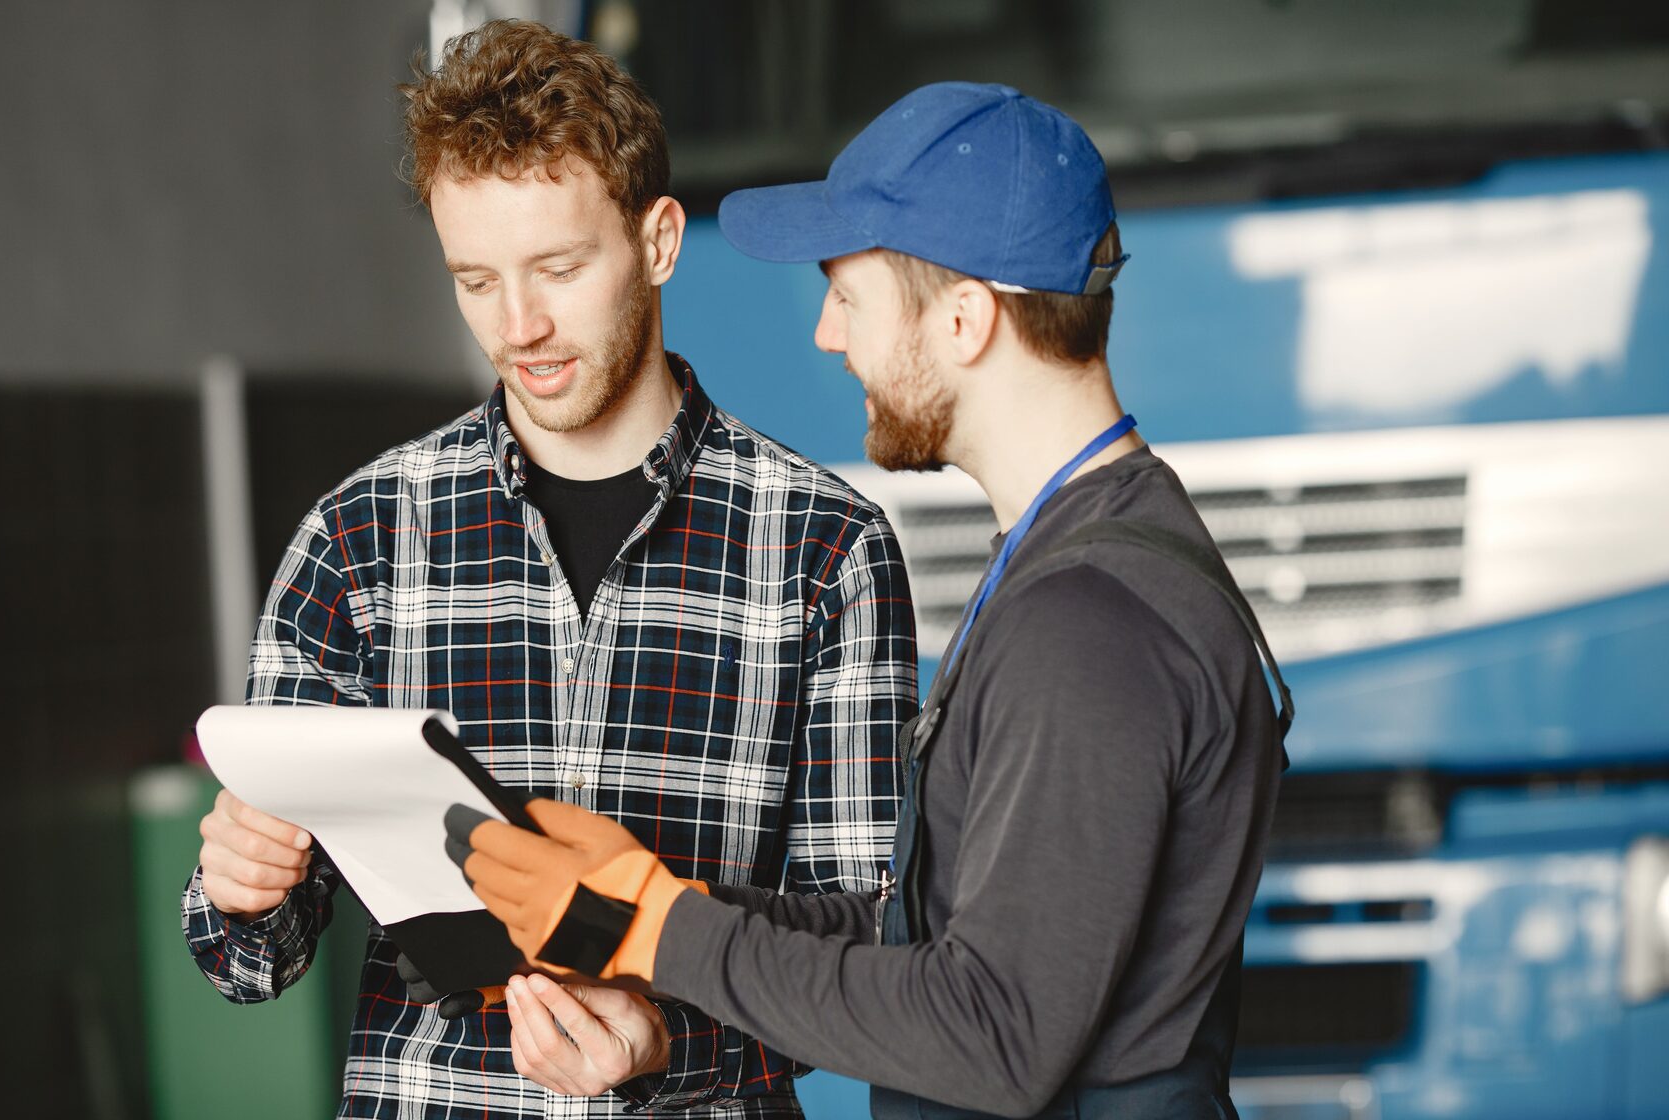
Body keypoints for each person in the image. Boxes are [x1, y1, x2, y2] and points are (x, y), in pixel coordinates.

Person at [452, 82, 1291, 1119]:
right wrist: (663, 905)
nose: (825, 334)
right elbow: (930, 935)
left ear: (964, 318)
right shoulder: (1090, 561)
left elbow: (993, 1031)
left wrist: (659, 927)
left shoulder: (1085, 627)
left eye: (848, 295)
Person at [180, 21, 916, 1120]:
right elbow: (246, 965)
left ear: (659, 240)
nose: (517, 325)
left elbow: (871, 946)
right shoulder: (358, 538)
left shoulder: (827, 549)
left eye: (559, 268)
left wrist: (666, 1037)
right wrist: (241, 892)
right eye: (475, 280)